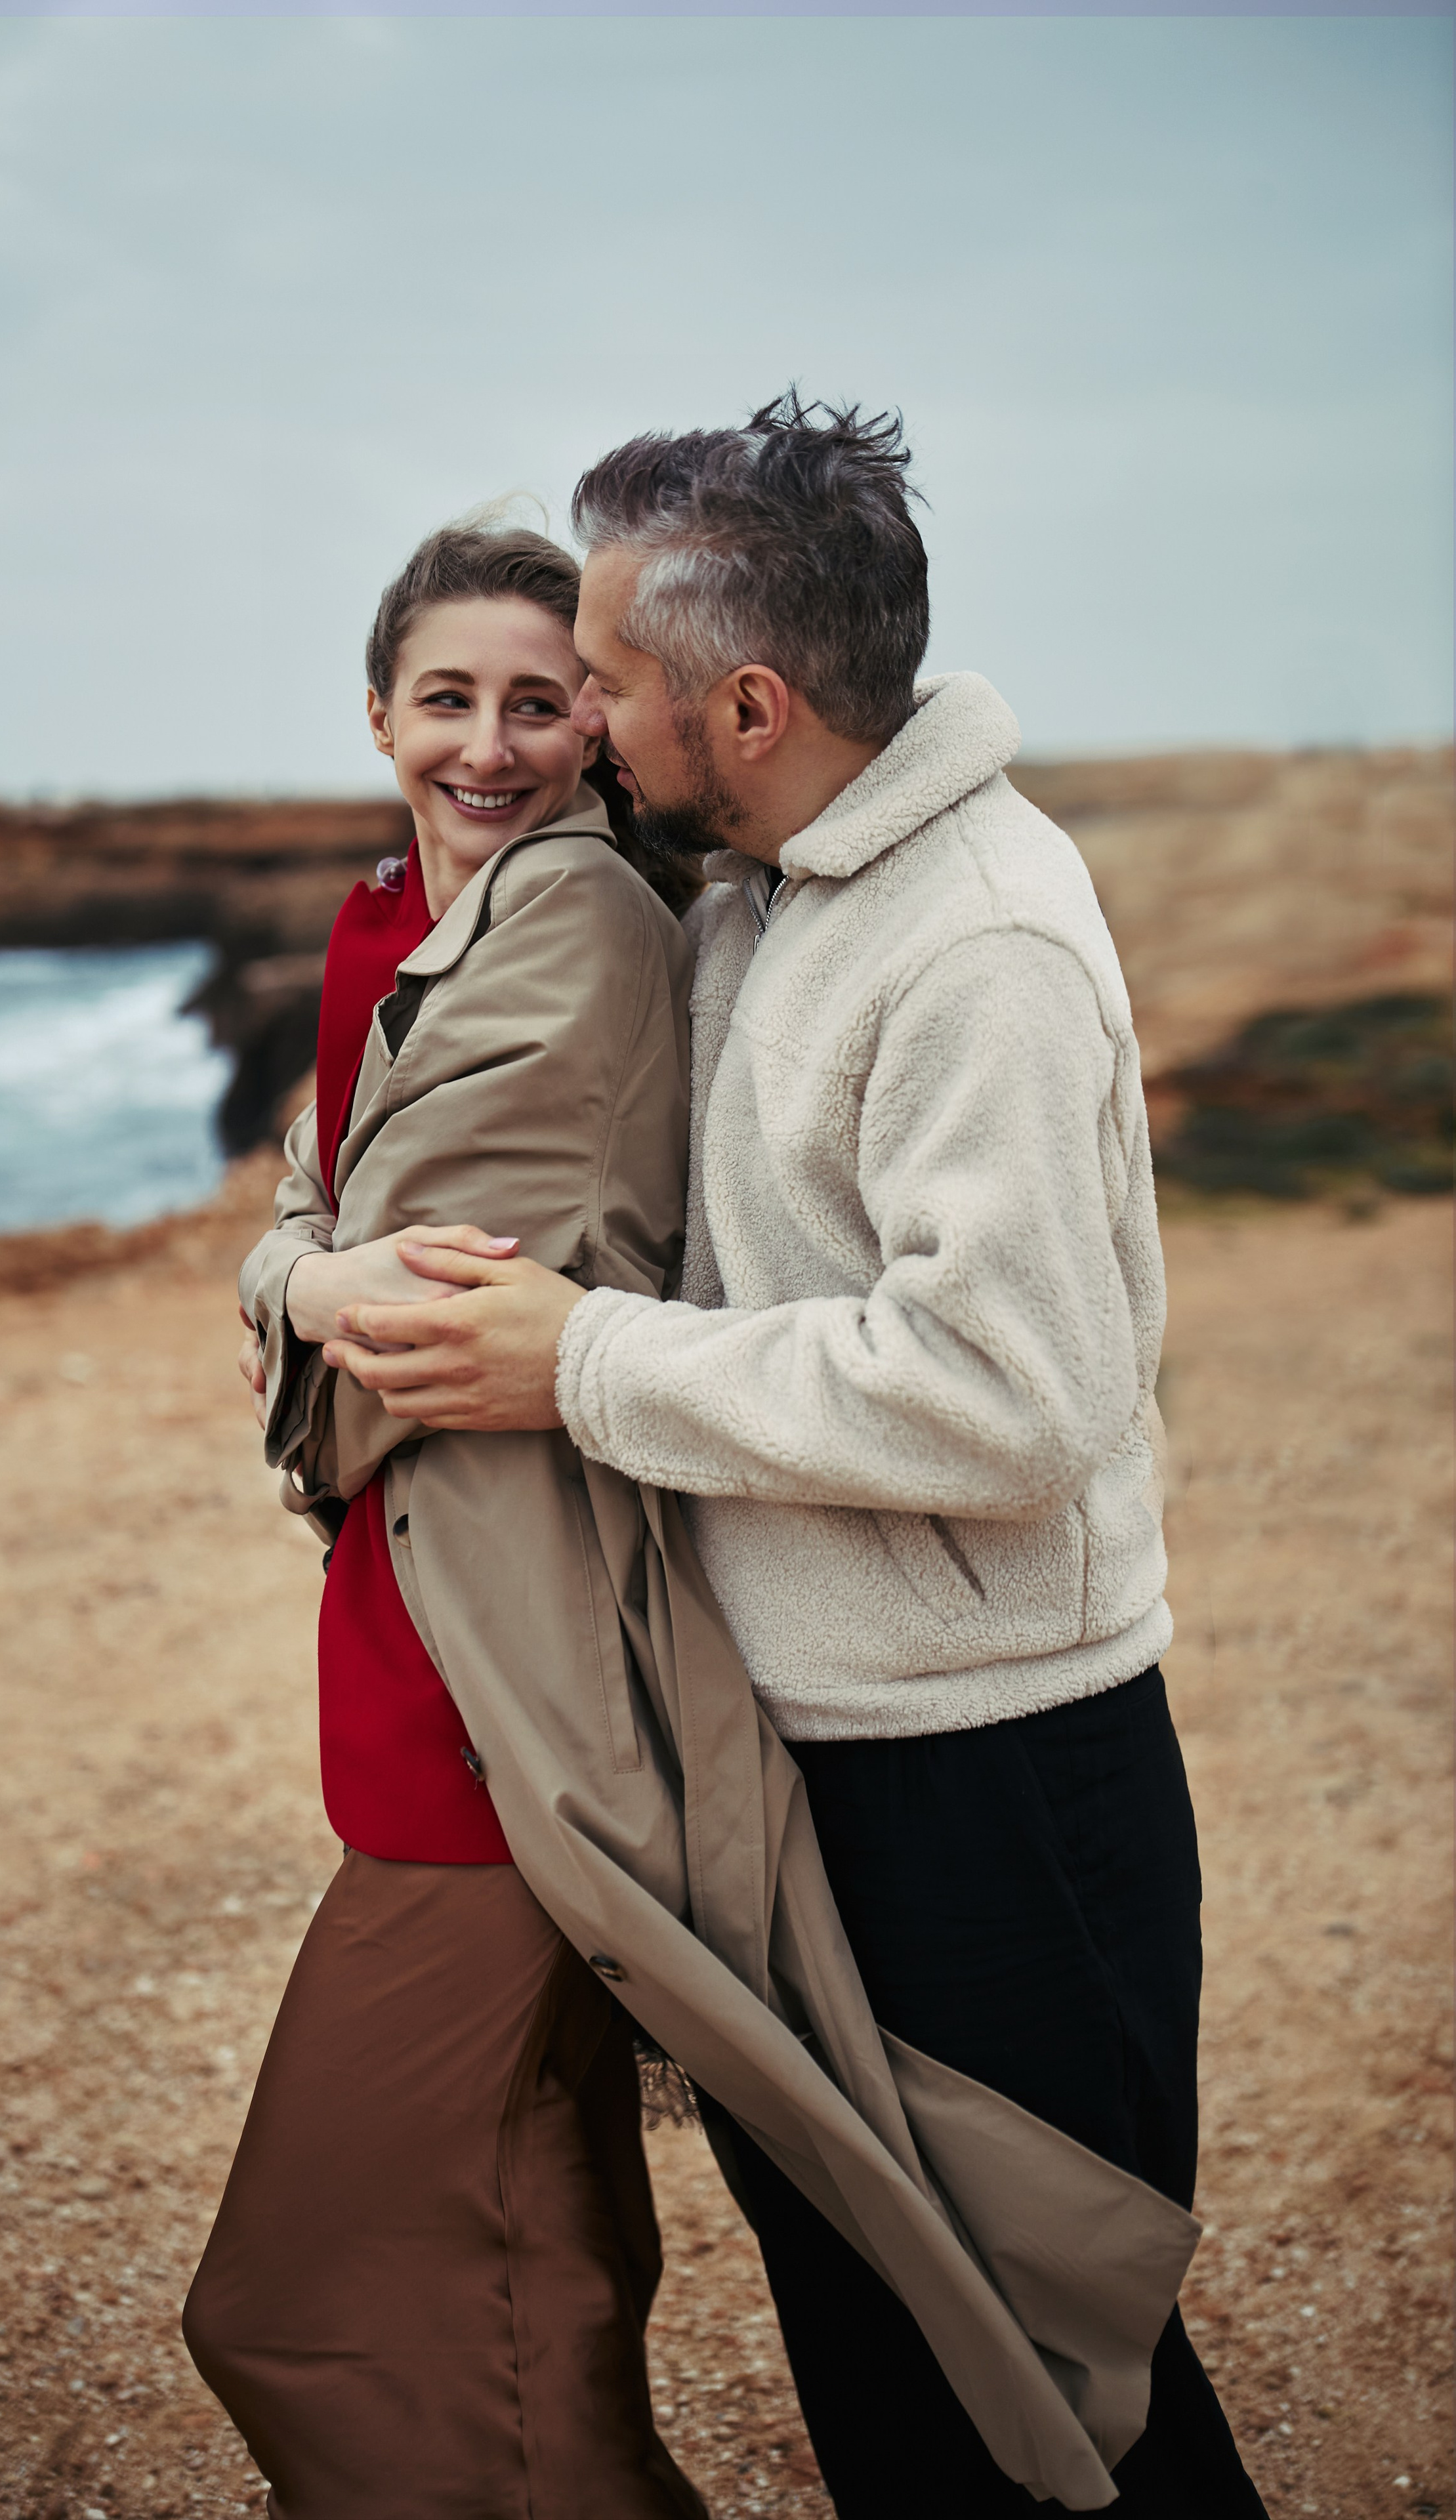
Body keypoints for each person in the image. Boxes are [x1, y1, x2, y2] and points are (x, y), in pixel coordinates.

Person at [320, 395, 1270, 2519]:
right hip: (812, 1749)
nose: (577, 728)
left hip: (989, 1779)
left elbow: (1015, 1399)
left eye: (613, 684)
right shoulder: (752, 873)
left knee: (1054, 2389)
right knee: (880, 2344)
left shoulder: (980, 945)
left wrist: (585, 1363)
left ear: (747, 703)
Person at [182, 521, 708, 2520]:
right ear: (379, 714)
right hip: (425, 1625)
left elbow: (393, 1319)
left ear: (601, 721)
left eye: (536, 699)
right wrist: (298, 1279)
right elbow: (321, 1228)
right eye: (446, 698)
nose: (487, 743)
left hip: (515, 1663)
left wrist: (300, 1304)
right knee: (542, 2256)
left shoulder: (570, 920)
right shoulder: (398, 918)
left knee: (292, 2304)